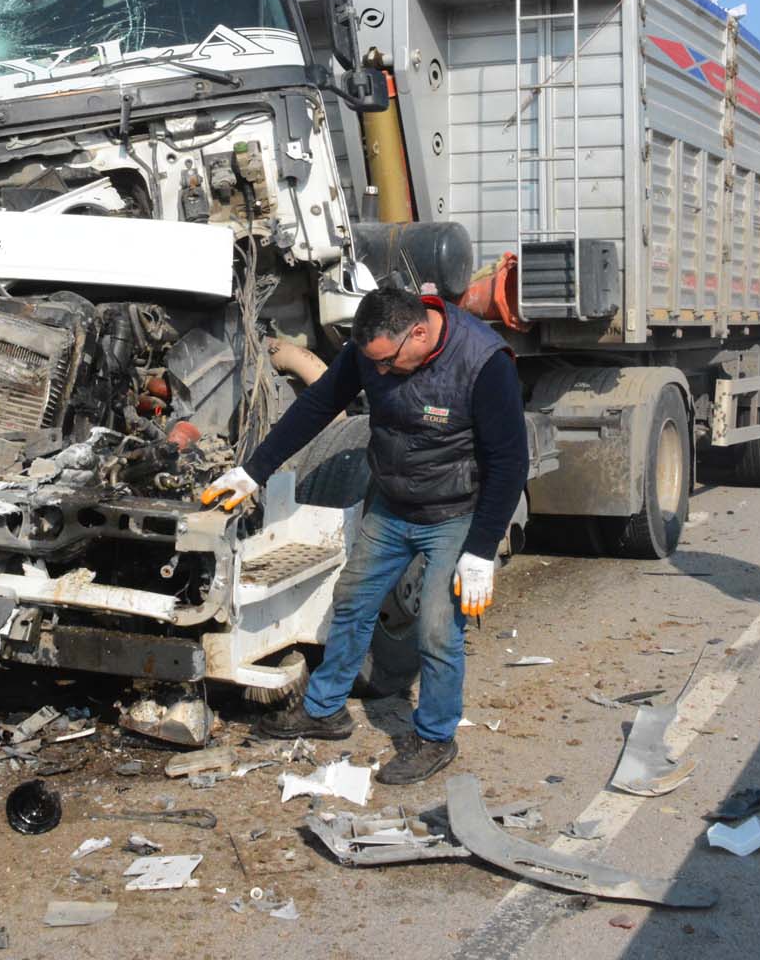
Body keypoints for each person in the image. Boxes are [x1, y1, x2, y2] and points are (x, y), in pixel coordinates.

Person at [200, 285, 528, 785]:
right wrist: (253, 471)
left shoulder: (484, 364)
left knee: (439, 629)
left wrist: (480, 550)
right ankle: (326, 710)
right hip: (392, 506)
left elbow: (509, 462)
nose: (377, 372)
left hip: (455, 513)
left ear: (419, 333)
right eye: (370, 362)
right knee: (351, 600)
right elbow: (316, 406)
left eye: (387, 362)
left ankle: (436, 736)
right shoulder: (371, 353)